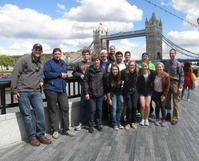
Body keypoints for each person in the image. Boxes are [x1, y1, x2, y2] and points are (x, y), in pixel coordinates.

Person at [11, 43, 51, 146]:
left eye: (40, 50)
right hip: (23, 91)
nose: (38, 51)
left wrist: (41, 80)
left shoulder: (40, 63)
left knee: (40, 113)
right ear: (32, 50)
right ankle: (32, 137)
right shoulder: (24, 59)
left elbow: (41, 74)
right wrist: (14, 91)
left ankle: (41, 135)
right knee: (27, 115)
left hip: (36, 91)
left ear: (41, 52)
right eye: (36, 49)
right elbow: (15, 74)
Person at [44, 48, 76, 139]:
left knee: (65, 108)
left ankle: (66, 129)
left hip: (62, 89)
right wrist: (59, 74)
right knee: (53, 110)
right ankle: (55, 130)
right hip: (51, 89)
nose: (57, 55)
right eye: (56, 54)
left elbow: (64, 73)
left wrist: (65, 76)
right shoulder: (48, 63)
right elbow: (46, 74)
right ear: (53, 54)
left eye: (59, 54)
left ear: (61, 54)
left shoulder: (63, 63)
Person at [84, 54, 106, 133]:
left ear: (99, 61)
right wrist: (86, 92)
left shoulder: (103, 70)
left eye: (97, 60)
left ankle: (99, 124)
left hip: (100, 93)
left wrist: (105, 94)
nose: (96, 62)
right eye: (94, 60)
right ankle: (91, 125)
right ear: (92, 61)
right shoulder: (88, 70)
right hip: (91, 94)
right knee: (92, 110)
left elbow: (105, 82)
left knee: (100, 110)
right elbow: (85, 81)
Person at [72, 49, 91, 130]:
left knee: (92, 106)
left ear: (89, 55)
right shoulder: (78, 63)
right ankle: (81, 123)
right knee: (83, 105)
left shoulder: (92, 62)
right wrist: (79, 75)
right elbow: (73, 73)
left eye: (87, 54)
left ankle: (90, 122)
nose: (86, 55)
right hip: (84, 88)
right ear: (82, 55)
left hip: (93, 88)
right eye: (84, 54)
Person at [164, 48, 184, 125]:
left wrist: (180, 86)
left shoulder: (179, 64)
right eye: (170, 53)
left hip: (176, 83)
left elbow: (182, 76)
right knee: (167, 100)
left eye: (173, 53)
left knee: (176, 101)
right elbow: (164, 73)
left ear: (175, 54)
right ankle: (168, 114)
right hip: (168, 82)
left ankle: (175, 117)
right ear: (169, 54)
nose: (171, 54)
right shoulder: (166, 63)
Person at [121, 60, 138, 129]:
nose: (132, 66)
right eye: (130, 65)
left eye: (133, 65)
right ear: (128, 66)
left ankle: (133, 122)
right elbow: (118, 77)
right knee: (129, 107)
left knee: (134, 107)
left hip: (135, 92)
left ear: (135, 66)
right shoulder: (124, 72)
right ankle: (128, 123)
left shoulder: (137, 72)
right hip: (127, 92)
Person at [152, 62, 170, 127]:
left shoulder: (166, 75)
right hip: (155, 92)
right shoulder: (154, 74)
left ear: (163, 67)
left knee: (162, 106)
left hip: (162, 93)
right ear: (156, 68)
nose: (159, 68)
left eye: (160, 67)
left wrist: (164, 95)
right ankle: (157, 119)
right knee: (157, 105)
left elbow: (167, 87)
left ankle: (163, 119)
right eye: (158, 67)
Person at [107, 64, 124, 130]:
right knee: (114, 108)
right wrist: (109, 99)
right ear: (111, 70)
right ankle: (114, 123)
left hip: (120, 93)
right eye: (113, 69)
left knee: (120, 107)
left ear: (118, 70)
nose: (114, 71)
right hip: (112, 94)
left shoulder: (121, 76)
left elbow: (123, 85)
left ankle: (118, 122)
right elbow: (108, 89)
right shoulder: (109, 77)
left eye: (116, 69)